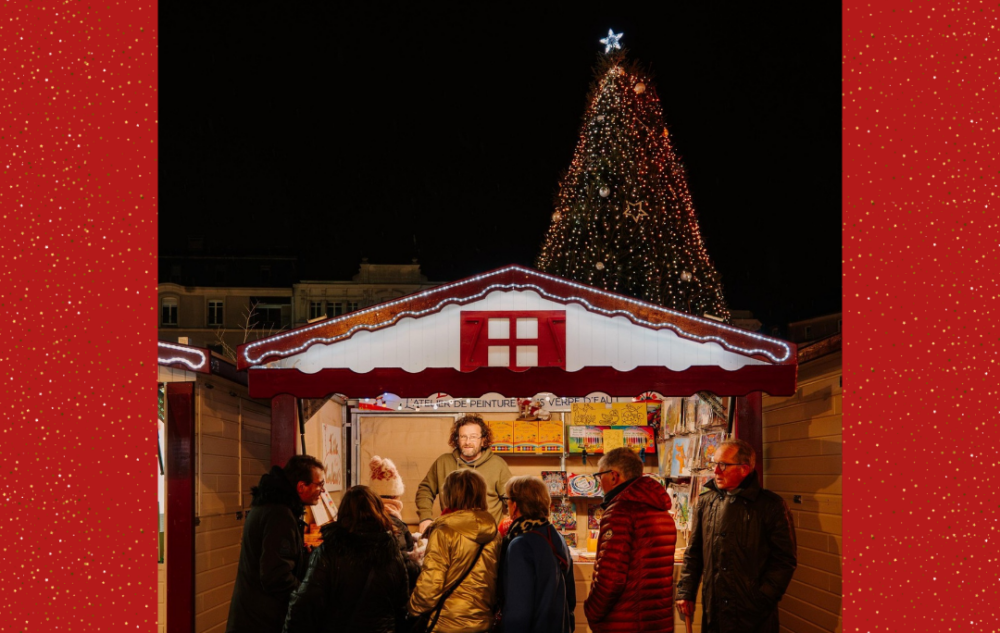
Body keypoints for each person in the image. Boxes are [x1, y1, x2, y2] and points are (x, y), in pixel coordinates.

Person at [676, 439, 797, 633]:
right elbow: (694, 552)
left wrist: (762, 598)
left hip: (754, 615)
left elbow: (784, 560)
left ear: (744, 469)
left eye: (723, 465)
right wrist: (685, 591)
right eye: (714, 464)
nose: (716, 471)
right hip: (714, 608)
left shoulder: (770, 505)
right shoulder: (706, 502)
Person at [283, 486, 409, 633]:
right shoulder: (393, 553)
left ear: (343, 513)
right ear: (379, 511)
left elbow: (305, 603)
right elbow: (401, 607)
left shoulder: (329, 551)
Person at [226, 455, 325, 633]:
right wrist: (305, 598)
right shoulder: (280, 515)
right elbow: (275, 576)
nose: (322, 490)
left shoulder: (271, 507)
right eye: (319, 484)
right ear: (301, 486)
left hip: (253, 616)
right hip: (261, 621)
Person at [584, 447, 676, 633]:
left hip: (625, 622)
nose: (599, 482)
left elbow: (611, 578)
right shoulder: (659, 508)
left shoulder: (620, 512)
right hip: (656, 621)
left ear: (613, 476)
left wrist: (591, 611)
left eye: (599, 475)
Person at [408, 469, 501, 633]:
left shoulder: (444, 532)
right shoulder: (494, 533)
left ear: (450, 495)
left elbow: (431, 583)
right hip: (483, 622)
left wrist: (413, 609)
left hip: (446, 622)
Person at [496, 475, 576, 633]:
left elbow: (518, 608)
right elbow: (570, 599)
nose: (507, 504)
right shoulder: (555, 536)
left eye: (508, 499)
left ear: (516, 505)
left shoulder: (521, 544)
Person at [416, 414, 512, 533]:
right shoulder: (443, 462)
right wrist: (425, 518)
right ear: (457, 439)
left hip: (486, 537)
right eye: (463, 437)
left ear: (483, 440)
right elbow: (425, 489)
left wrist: (509, 525)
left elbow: (512, 498)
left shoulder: (498, 464)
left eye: (473, 437)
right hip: (451, 534)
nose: (467, 442)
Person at [369, 454, 423, 591]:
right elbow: (402, 564)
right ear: (395, 496)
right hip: (390, 595)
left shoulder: (365, 518)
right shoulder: (394, 523)